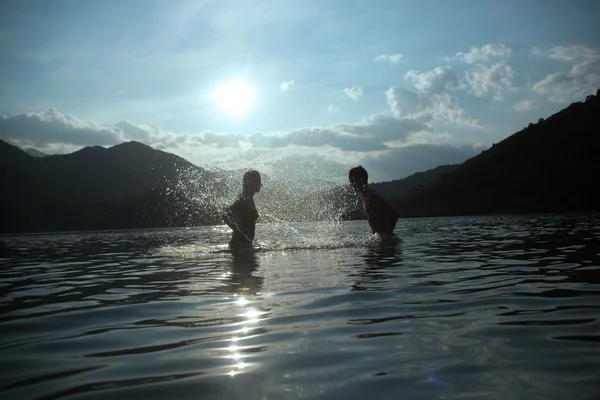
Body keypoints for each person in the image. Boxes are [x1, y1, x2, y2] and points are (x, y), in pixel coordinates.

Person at [348, 165, 399, 237]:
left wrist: (384, 235)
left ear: (361, 179)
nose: (351, 184)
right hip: (381, 238)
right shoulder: (365, 196)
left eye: (353, 180)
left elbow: (394, 214)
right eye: (350, 181)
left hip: (385, 240)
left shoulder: (371, 196)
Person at [222, 169, 262, 249]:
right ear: (250, 183)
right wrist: (238, 231)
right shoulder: (243, 199)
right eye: (258, 181)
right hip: (239, 246)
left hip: (244, 245)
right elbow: (225, 215)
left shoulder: (248, 198)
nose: (260, 184)